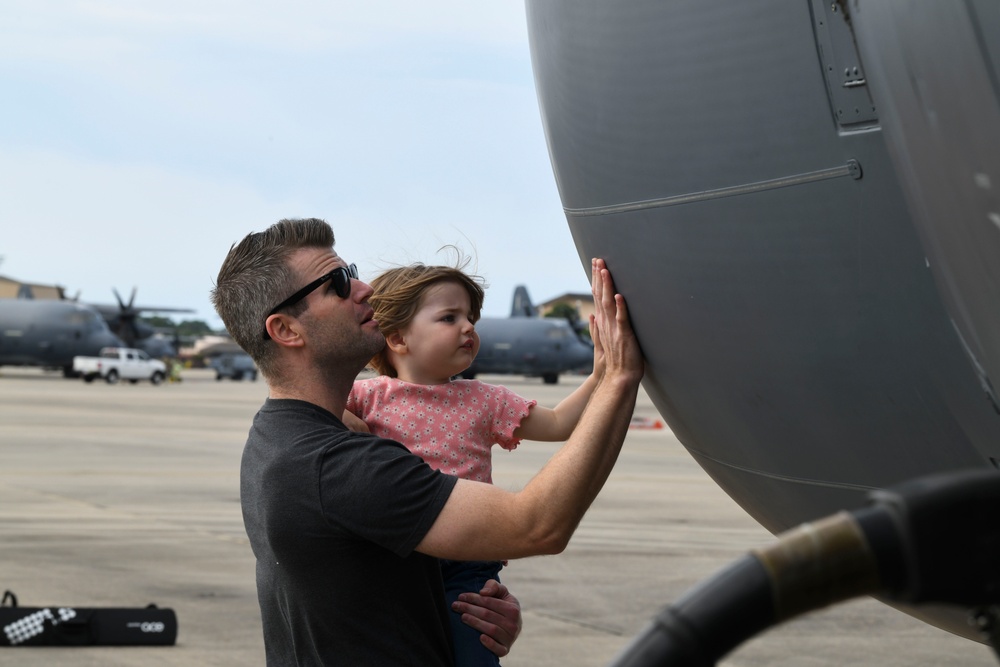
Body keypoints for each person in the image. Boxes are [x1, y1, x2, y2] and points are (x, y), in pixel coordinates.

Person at [210, 218, 644, 666]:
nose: (364, 289)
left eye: (352, 270)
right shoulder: (339, 465)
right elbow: (537, 526)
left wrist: (470, 617)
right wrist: (618, 376)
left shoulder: (275, 435)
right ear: (285, 330)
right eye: (337, 284)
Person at [343, 262, 605, 667]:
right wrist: (355, 427)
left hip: (467, 562)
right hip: (394, 557)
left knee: (473, 656)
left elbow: (558, 424)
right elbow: (311, 409)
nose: (468, 328)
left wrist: (601, 374)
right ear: (397, 338)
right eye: (449, 318)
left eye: (470, 318)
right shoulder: (366, 396)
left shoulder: (486, 399)